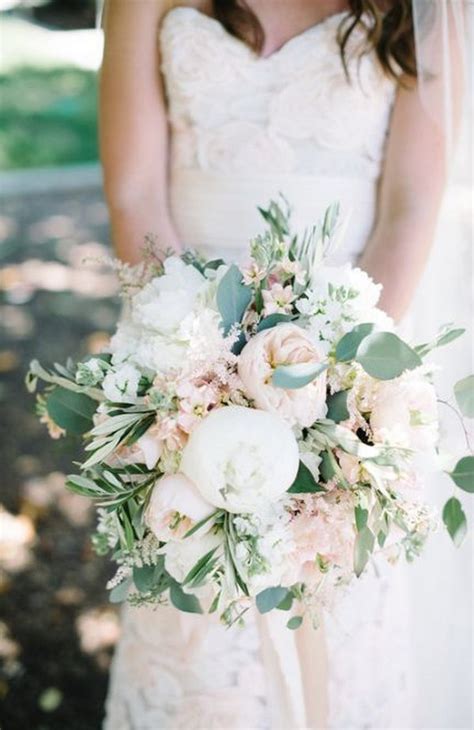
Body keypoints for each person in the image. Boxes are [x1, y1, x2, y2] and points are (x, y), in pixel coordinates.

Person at [98, 1, 469, 728]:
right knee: (198, 627)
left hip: (350, 369)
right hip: (175, 350)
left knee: (337, 610)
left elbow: (409, 209)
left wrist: (335, 393)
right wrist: (195, 376)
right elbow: (134, 191)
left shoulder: (423, 10)